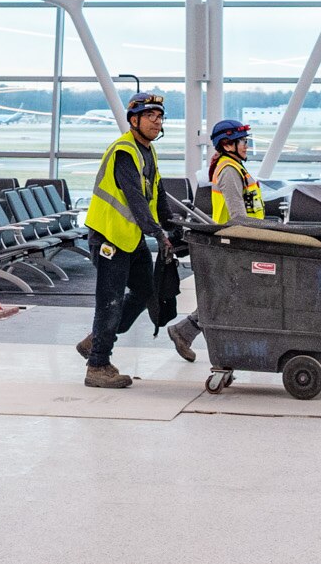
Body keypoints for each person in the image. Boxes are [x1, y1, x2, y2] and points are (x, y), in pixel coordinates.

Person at [74, 93, 169, 388]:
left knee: (146, 290)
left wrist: (171, 225)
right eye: (150, 116)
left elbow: (157, 193)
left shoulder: (147, 151)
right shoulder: (124, 151)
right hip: (108, 236)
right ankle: (98, 365)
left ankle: (97, 342)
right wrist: (157, 231)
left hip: (129, 236)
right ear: (134, 120)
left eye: (160, 116)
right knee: (110, 300)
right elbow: (135, 198)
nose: (157, 121)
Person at [167, 118, 262, 361]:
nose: (246, 146)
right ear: (228, 145)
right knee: (231, 294)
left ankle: (186, 332)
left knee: (228, 293)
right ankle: (216, 347)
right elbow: (238, 216)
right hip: (236, 240)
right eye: (243, 142)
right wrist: (267, 229)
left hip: (240, 240)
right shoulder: (229, 170)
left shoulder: (233, 166)